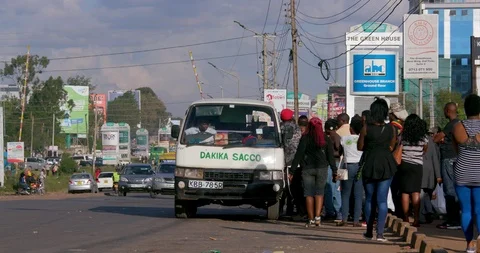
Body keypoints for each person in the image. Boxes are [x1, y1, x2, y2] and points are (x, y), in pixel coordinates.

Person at [358, 98, 397, 242]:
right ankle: (380, 234)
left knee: (369, 199)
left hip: (369, 163)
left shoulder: (366, 128)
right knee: (382, 200)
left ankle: (369, 232)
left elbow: (360, 147)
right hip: (386, 164)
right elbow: (391, 146)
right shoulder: (391, 129)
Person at [290, 117, 337, 227]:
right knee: (319, 193)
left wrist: (292, 171)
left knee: (308, 194)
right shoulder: (326, 138)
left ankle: (310, 219)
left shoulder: (305, 138)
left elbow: (298, 155)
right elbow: (330, 157)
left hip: (307, 169)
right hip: (322, 168)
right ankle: (318, 218)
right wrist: (334, 170)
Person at [452, 94, 480, 253]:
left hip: (462, 171)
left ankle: (469, 244)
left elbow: (456, 150)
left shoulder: (457, 126)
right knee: (479, 209)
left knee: (466, 210)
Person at [434, 102, 461, 230]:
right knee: (456, 188)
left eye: (445, 110)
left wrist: (438, 137)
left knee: (449, 189)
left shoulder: (451, 124)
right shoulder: (460, 123)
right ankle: (456, 218)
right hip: (457, 158)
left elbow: (437, 138)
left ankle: (453, 220)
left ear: (448, 111)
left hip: (448, 159)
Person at [397, 114, 428, 227]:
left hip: (404, 165)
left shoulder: (403, 136)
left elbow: (398, 147)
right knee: (416, 191)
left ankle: (405, 218)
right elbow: (425, 149)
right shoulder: (423, 136)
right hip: (417, 165)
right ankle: (416, 219)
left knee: (405, 192)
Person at [337, 117, 364, 227]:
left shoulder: (344, 138)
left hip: (347, 167)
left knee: (345, 194)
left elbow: (340, 152)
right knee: (358, 195)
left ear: (351, 128)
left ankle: (344, 219)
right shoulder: (362, 139)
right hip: (359, 167)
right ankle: (356, 220)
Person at [279, 109, 302, 216]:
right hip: (295, 162)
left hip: (282, 161)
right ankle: (291, 208)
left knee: (283, 187)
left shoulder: (279, 128)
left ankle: (280, 208)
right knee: (294, 187)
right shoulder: (297, 128)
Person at [420, 127, 442, 224]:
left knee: (421, 194)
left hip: (419, 169)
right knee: (427, 194)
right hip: (430, 171)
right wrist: (438, 175)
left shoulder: (415, 138)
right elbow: (435, 159)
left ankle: (422, 215)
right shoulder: (431, 141)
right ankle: (428, 211)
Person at [324, 118, 342, 221]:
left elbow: (337, 148)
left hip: (331, 164)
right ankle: (337, 211)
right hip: (336, 164)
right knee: (335, 188)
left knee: (330, 188)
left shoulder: (332, 136)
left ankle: (332, 211)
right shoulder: (336, 136)